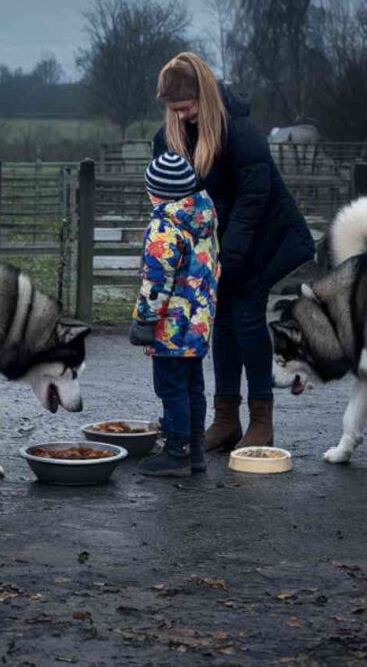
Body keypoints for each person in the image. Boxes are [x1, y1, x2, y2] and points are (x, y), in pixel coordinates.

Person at [153, 53, 314, 451]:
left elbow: (254, 198)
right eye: (173, 109)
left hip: (264, 241)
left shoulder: (239, 132)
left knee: (244, 317)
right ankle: (226, 418)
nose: (181, 114)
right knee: (220, 321)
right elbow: (172, 200)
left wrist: (232, 257)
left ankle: (262, 419)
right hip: (220, 246)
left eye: (186, 106)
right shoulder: (170, 136)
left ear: (202, 96)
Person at [129, 151, 219, 477]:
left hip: (172, 326)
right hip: (198, 323)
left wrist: (144, 320)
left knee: (170, 387)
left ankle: (176, 451)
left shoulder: (165, 225)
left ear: (155, 192)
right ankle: (196, 451)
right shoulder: (204, 218)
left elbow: (156, 279)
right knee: (192, 386)